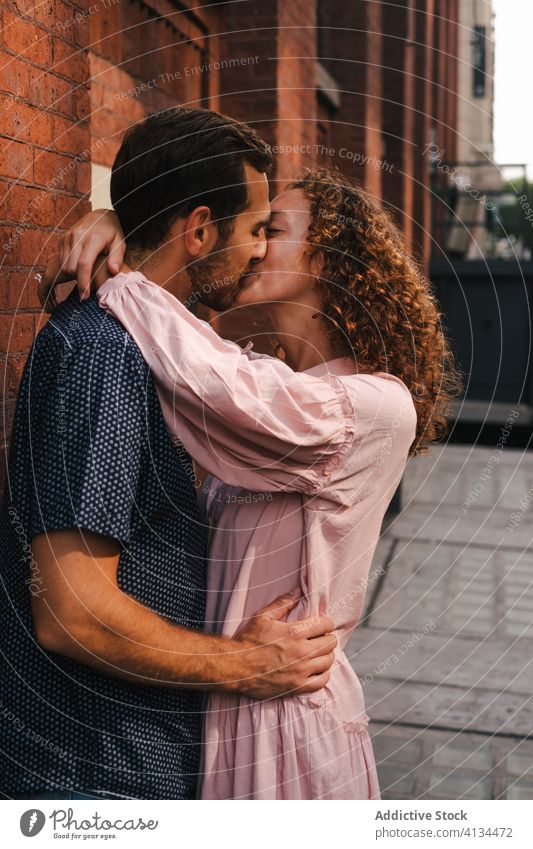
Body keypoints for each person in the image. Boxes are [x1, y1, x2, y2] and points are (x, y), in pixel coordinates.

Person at [43, 118, 461, 797]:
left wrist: (125, 275)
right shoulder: (259, 378)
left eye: (274, 229)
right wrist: (125, 228)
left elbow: (216, 377)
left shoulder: (371, 407)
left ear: (327, 259)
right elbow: (205, 353)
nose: (256, 244)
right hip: (226, 696)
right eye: (254, 226)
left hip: (287, 722)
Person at [0, 108, 337, 802]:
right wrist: (246, 663)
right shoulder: (106, 354)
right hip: (91, 775)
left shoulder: (164, 346)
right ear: (201, 229)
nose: (256, 251)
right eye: (252, 230)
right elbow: (72, 612)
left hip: (139, 756)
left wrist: (117, 220)